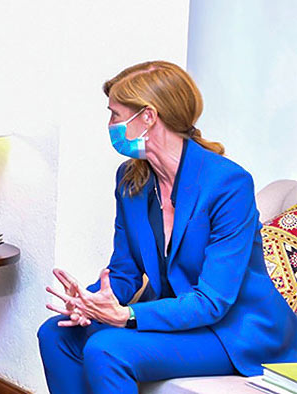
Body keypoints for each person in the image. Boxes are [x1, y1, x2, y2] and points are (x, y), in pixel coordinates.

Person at [37, 61, 297, 393]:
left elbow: (212, 301)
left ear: (148, 117)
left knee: (107, 349)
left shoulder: (228, 184)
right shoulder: (131, 180)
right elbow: (124, 272)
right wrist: (91, 301)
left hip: (232, 331)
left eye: (115, 115)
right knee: (56, 334)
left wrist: (127, 315)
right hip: (177, 317)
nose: (110, 124)